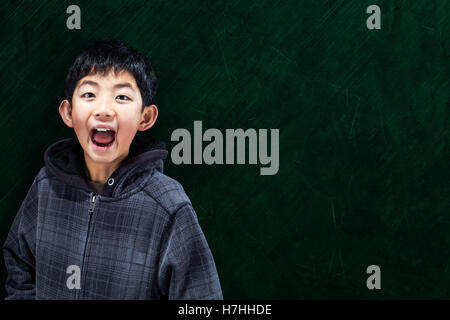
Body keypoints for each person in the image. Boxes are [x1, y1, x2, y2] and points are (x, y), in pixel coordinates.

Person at [3, 39, 223, 300]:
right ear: (68, 112)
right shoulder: (45, 185)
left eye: (122, 97)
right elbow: (19, 263)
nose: (104, 110)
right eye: (89, 94)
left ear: (146, 117)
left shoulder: (169, 205)